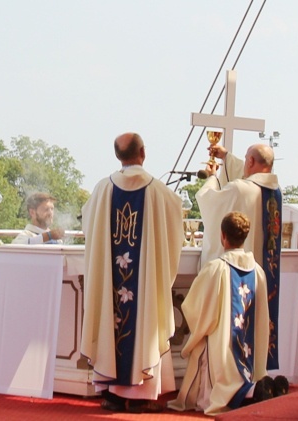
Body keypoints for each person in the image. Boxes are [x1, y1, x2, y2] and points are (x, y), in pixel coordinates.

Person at [80, 132, 183, 413]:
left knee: (109, 317)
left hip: (112, 279)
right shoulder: (160, 192)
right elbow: (176, 230)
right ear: (143, 153)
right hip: (143, 281)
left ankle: (112, 394)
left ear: (117, 156)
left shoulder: (103, 189)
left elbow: (88, 224)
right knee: (144, 319)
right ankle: (139, 395)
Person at [168, 211, 288, 416]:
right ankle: (256, 388)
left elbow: (194, 308)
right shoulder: (257, 270)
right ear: (244, 237)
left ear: (223, 236)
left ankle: (251, 393)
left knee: (207, 354)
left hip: (221, 347)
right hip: (249, 347)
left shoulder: (216, 268)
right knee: (239, 369)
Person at [196, 143, 282, 370]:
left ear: (251, 162)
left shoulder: (240, 189)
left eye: (246, 159)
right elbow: (247, 178)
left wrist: (212, 178)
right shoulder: (274, 190)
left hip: (235, 275)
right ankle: (256, 371)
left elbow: (209, 201)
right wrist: (226, 156)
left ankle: (230, 373)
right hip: (260, 273)